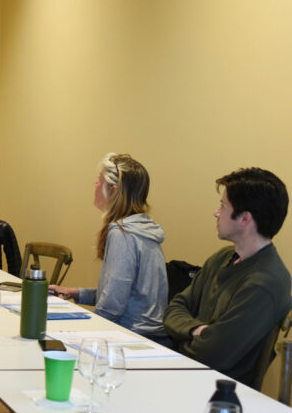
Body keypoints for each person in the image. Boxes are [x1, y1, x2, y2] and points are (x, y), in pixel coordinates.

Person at [164, 167, 292, 384]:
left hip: (217, 393)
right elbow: (173, 308)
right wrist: (196, 329)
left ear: (244, 218)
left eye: (223, 206)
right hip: (186, 374)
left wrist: (181, 336)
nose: (216, 212)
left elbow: (213, 355)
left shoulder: (265, 282)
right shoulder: (223, 257)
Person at [50, 153, 169, 341]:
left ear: (113, 191)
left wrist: (81, 336)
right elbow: (122, 293)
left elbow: (113, 306)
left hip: (131, 337)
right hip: (152, 337)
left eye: (99, 181)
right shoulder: (141, 228)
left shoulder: (122, 233)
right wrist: (76, 293)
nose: (95, 185)